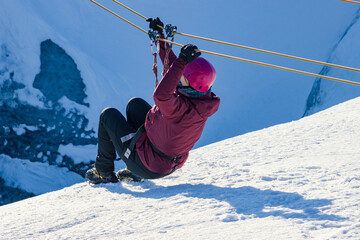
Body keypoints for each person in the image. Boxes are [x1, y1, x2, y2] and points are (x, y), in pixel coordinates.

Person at [85, 17, 220, 184]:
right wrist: (160, 38)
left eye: (184, 74)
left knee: (108, 116)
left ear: (191, 82)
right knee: (135, 105)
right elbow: (174, 70)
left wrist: (182, 61)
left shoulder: (180, 108)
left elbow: (161, 95)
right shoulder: (200, 98)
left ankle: (103, 172)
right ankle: (133, 165)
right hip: (164, 159)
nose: (180, 75)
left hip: (148, 165)